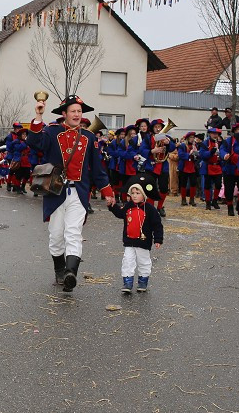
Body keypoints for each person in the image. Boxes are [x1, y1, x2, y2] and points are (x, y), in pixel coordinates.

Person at [25, 94, 115, 292]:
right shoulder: (52, 132)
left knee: (73, 233)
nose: (77, 114)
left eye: (79, 111)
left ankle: (71, 273)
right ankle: (59, 270)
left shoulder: (89, 137)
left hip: (79, 193)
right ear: (64, 113)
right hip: (55, 190)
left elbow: (97, 168)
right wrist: (38, 116)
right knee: (56, 235)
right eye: (73, 111)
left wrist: (107, 190)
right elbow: (34, 142)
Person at [109, 181, 163, 294]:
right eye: (132, 193)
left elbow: (157, 225)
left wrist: (158, 239)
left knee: (144, 262)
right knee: (128, 261)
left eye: (137, 193)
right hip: (129, 241)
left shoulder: (149, 209)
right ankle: (127, 282)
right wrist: (112, 206)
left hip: (143, 242)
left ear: (143, 195)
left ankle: (143, 281)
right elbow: (120, 213)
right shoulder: (128, 206)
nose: (134, 195)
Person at [199, 127, 225, 211]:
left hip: (217, 166)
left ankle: (215, 200)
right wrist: (211, 152)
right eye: (213, 134)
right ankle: (207, 202)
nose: (215, 135)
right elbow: (202, 154)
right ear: (210, 134)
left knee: (218, 184)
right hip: (208, 166)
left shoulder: (221, 143)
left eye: (216, 134)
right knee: (207, 185)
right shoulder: (205, 143)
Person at [176, 132, 200, 206]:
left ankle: (192, 199)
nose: (192, 139)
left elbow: (199, 155)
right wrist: (189, 154)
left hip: (192, 167)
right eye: (191, 137)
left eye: (193, 137)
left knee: (193, 183)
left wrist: (196, 153)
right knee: (183, 184)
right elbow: (180, 154)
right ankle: (183, 199)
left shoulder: (195, 145)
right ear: (187, 138)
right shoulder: (183, 145)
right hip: (184, 166)